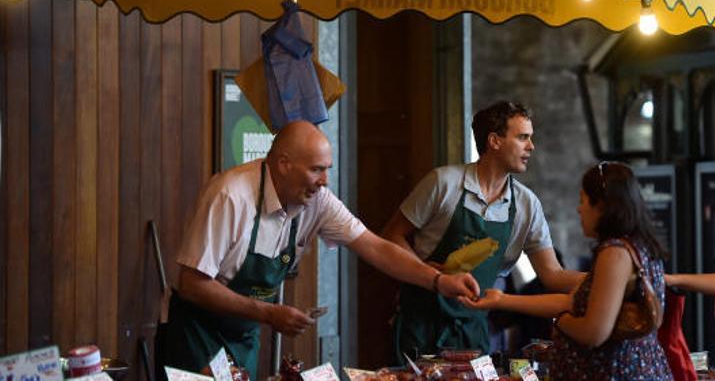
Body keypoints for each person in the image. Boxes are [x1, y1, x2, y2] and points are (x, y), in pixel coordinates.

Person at [157, 121, 480, 377]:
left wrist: (438, 281)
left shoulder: (317, 200)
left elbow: (376, 248)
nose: (325, 180)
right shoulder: (231, 195)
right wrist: (269, 313)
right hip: (197, 334)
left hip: (243, 334)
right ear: (283, 164)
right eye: (316, 169)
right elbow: (193, 284)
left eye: (327, 169)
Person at [382, 101, 583, 363]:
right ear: (494, 141)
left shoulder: (526, 204)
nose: (531, 147)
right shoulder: (443, 183)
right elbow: (391, 235)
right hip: (420, 324)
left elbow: (553, 275)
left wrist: (609, 281)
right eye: (523, 138)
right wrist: (428, 272)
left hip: (472, 331)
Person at [462, 162, 673, 380]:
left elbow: (593, 332)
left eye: (582, 200)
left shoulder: (615, 254)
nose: (579, 209)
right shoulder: (640, 248)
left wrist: (561, 321)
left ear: (601, 206)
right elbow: (569, 302)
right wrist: (501, 300)